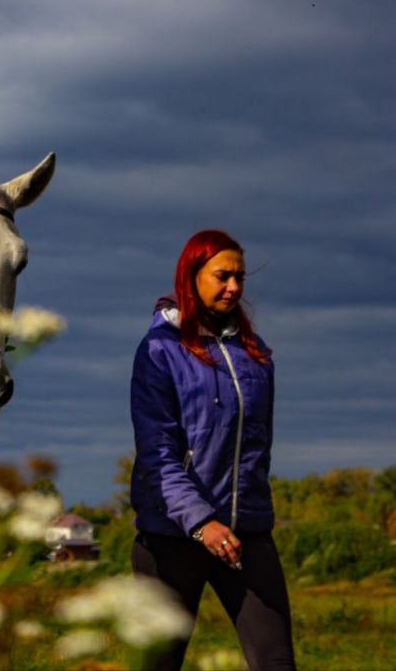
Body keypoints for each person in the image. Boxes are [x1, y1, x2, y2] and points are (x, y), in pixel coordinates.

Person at [129, 229, 295, 670]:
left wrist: (248, 512)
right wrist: (203, 523)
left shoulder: (255, 354)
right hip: (172, 537)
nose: (234, 287)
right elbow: (156, 454)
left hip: (247, 533)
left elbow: (258, 447)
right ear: (191, 275)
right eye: (223, 276)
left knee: (277, 663)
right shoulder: (159, 350)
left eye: (240, 277)